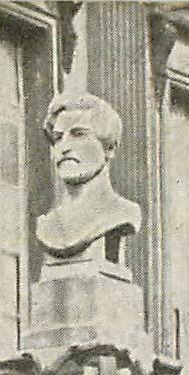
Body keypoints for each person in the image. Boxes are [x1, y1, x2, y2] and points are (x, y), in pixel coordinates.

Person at [37, 92, 142, 263]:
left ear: (109, 148)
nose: (64, 147)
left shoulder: (122, 213)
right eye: (58, 138)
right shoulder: (45, 226)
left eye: (79, 134)